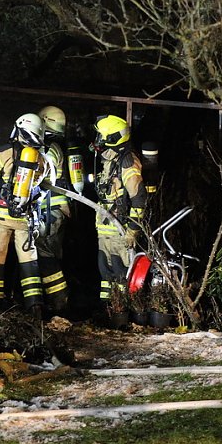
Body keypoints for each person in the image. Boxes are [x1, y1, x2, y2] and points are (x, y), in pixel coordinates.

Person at [0, 113, 46, 315]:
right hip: (24, 219)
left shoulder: (4, 152)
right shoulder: (41, 159)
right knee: (28, 261)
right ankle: (35, 305)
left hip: (0, 217)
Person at [91, 115, 146, 303]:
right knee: (104, 273)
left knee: (121, 272)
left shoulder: (127, 162)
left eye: (101, 136)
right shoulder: (110, 160)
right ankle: (107, 311)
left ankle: (121, 310)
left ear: (112, 138)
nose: (97, 140)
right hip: (105, 230)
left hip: (120, 230)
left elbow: (138, 199)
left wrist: (133, 231)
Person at [35, 105, 71, 315]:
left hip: (49, 211)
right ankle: (57, 301)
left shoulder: (46, 150)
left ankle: (59, 302)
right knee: (51, 254)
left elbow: (45, 181)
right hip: (55, 211)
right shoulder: (55, 148)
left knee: (45, 254)